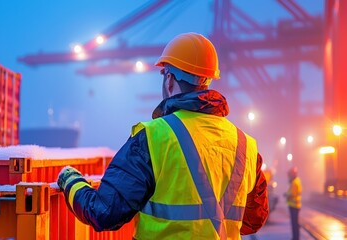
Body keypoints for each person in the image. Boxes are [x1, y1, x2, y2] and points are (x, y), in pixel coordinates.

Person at [57, 32, 269, 239]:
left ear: (169, 80)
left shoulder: (152, 137)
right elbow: (253, 220)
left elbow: (104, 212)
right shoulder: (246, 145)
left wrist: (71, 181)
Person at [285, 167, 302, 240]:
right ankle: (295, 237)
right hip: (294, 205)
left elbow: (293, 194)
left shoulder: (295, 182)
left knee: (294, 224)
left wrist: (287, 195)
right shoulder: (295, 181)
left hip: (294, 206)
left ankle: (295, 238)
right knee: (294, 223)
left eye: (290, 175)